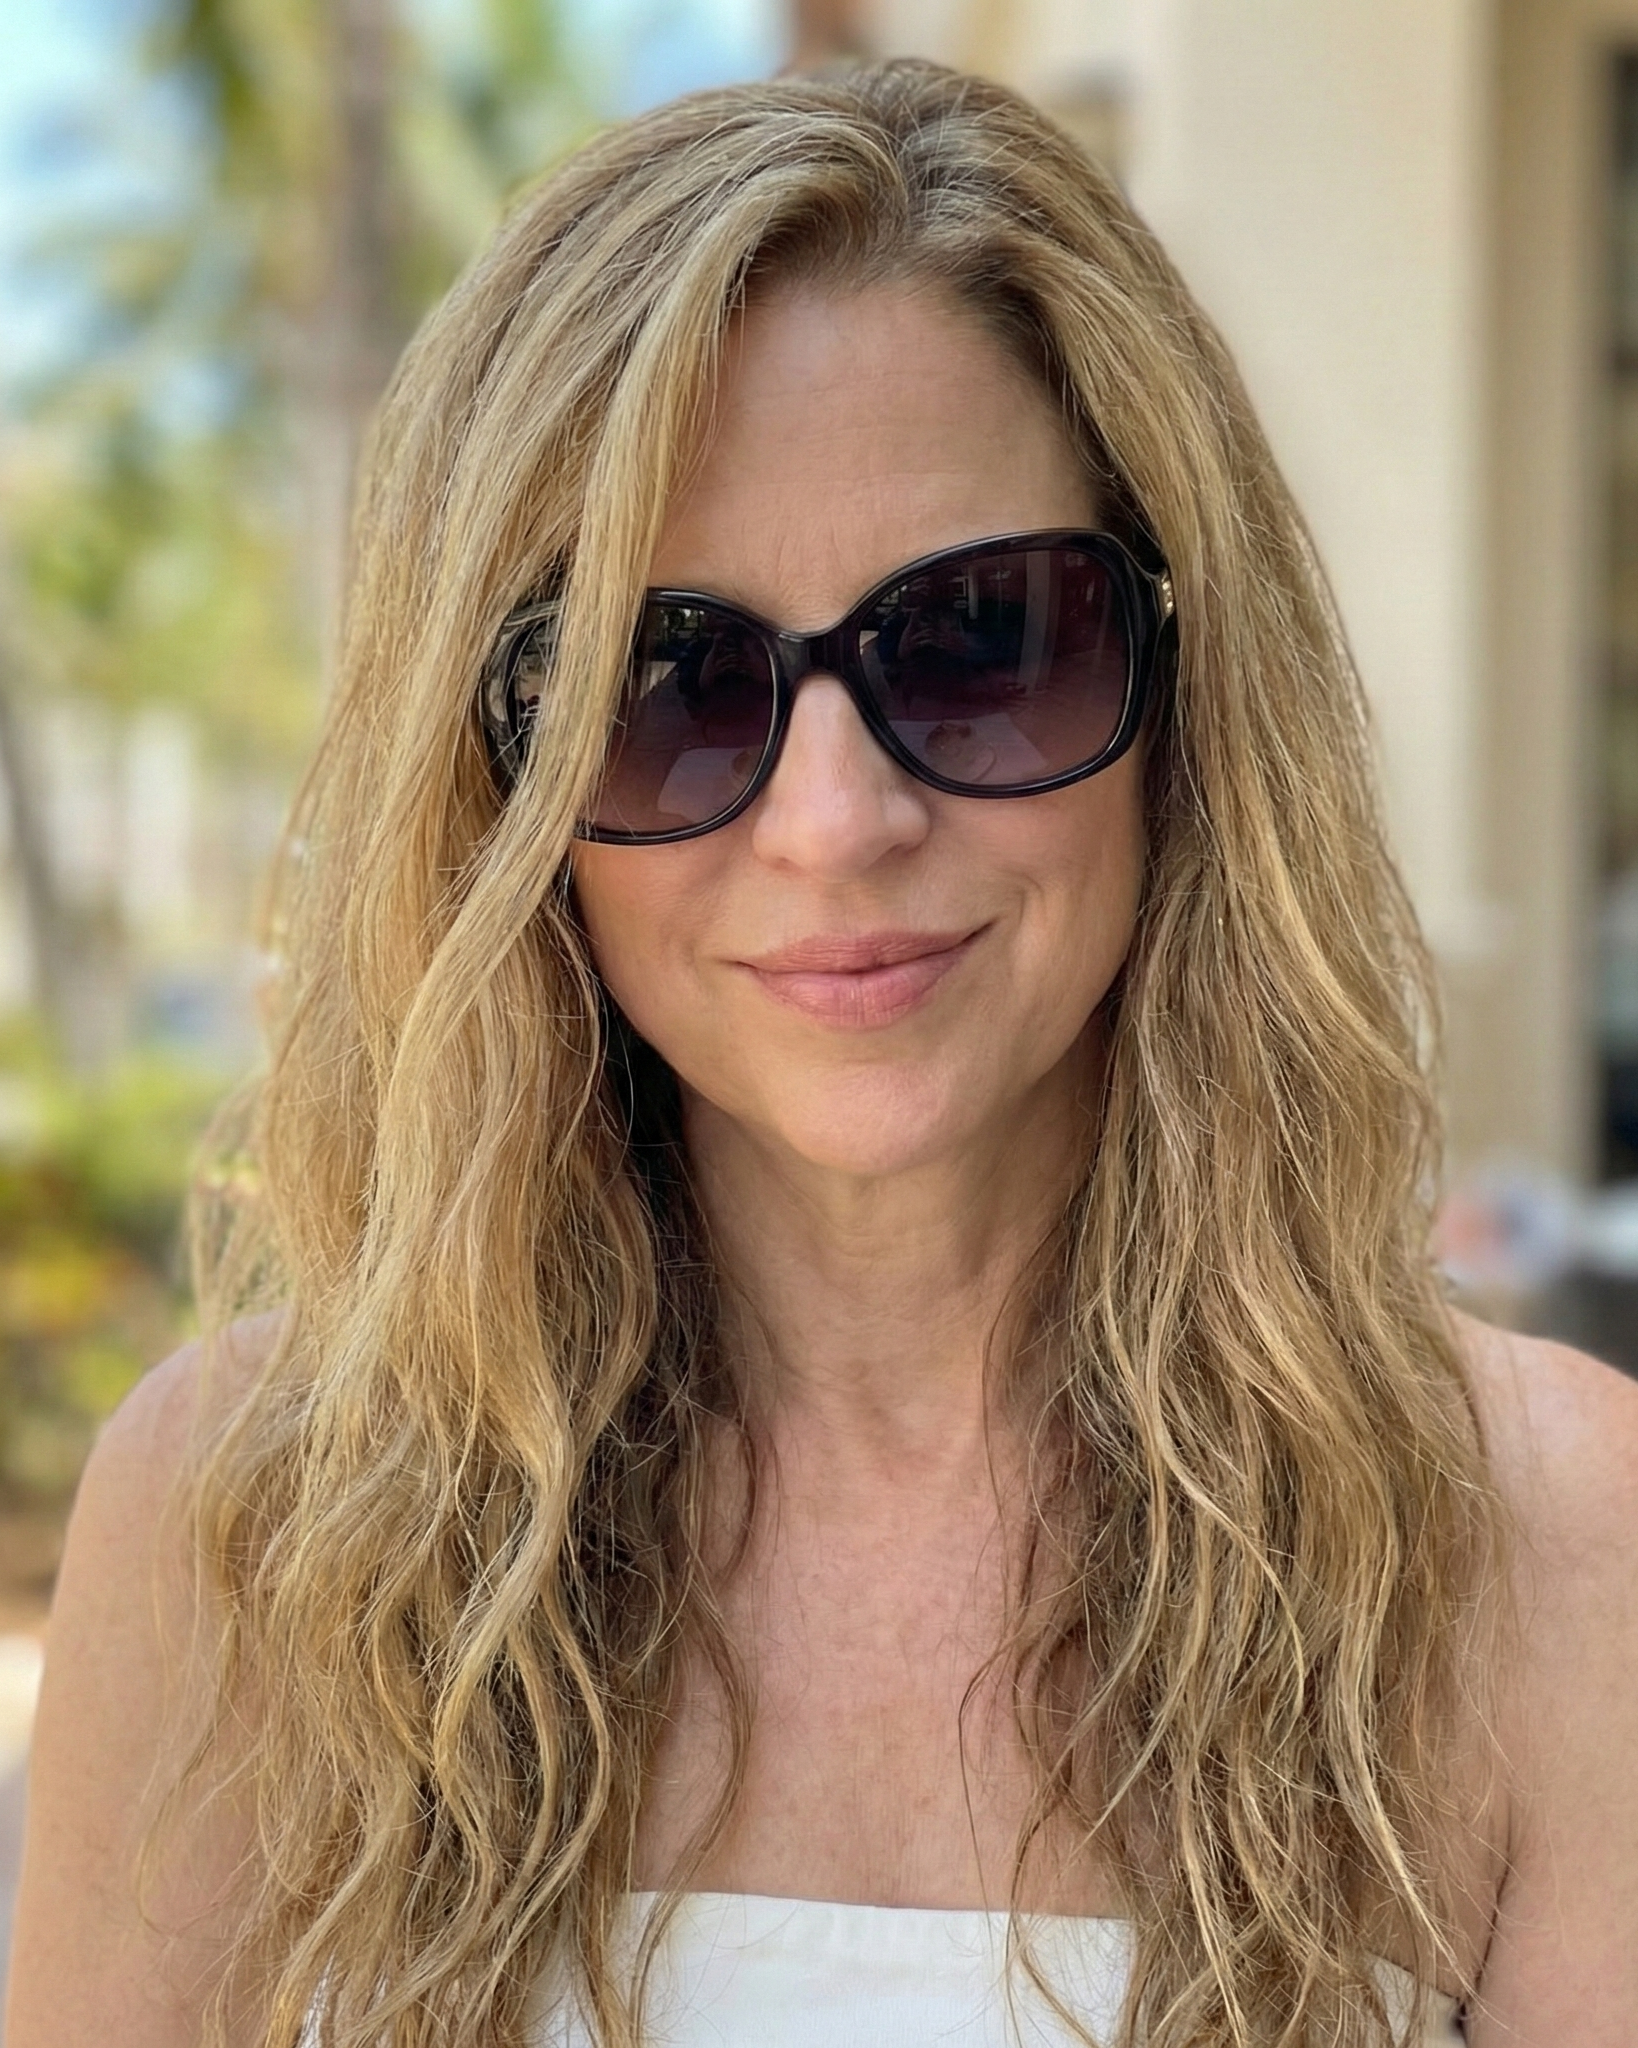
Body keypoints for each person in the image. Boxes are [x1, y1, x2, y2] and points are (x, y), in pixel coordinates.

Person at [7, 57, 1637, 2048]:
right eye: (663, 685)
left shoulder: (1558, 1548)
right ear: (491, 789)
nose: (835, 822)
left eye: (980, 638)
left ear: (1186, 693)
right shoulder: (242, 1531)